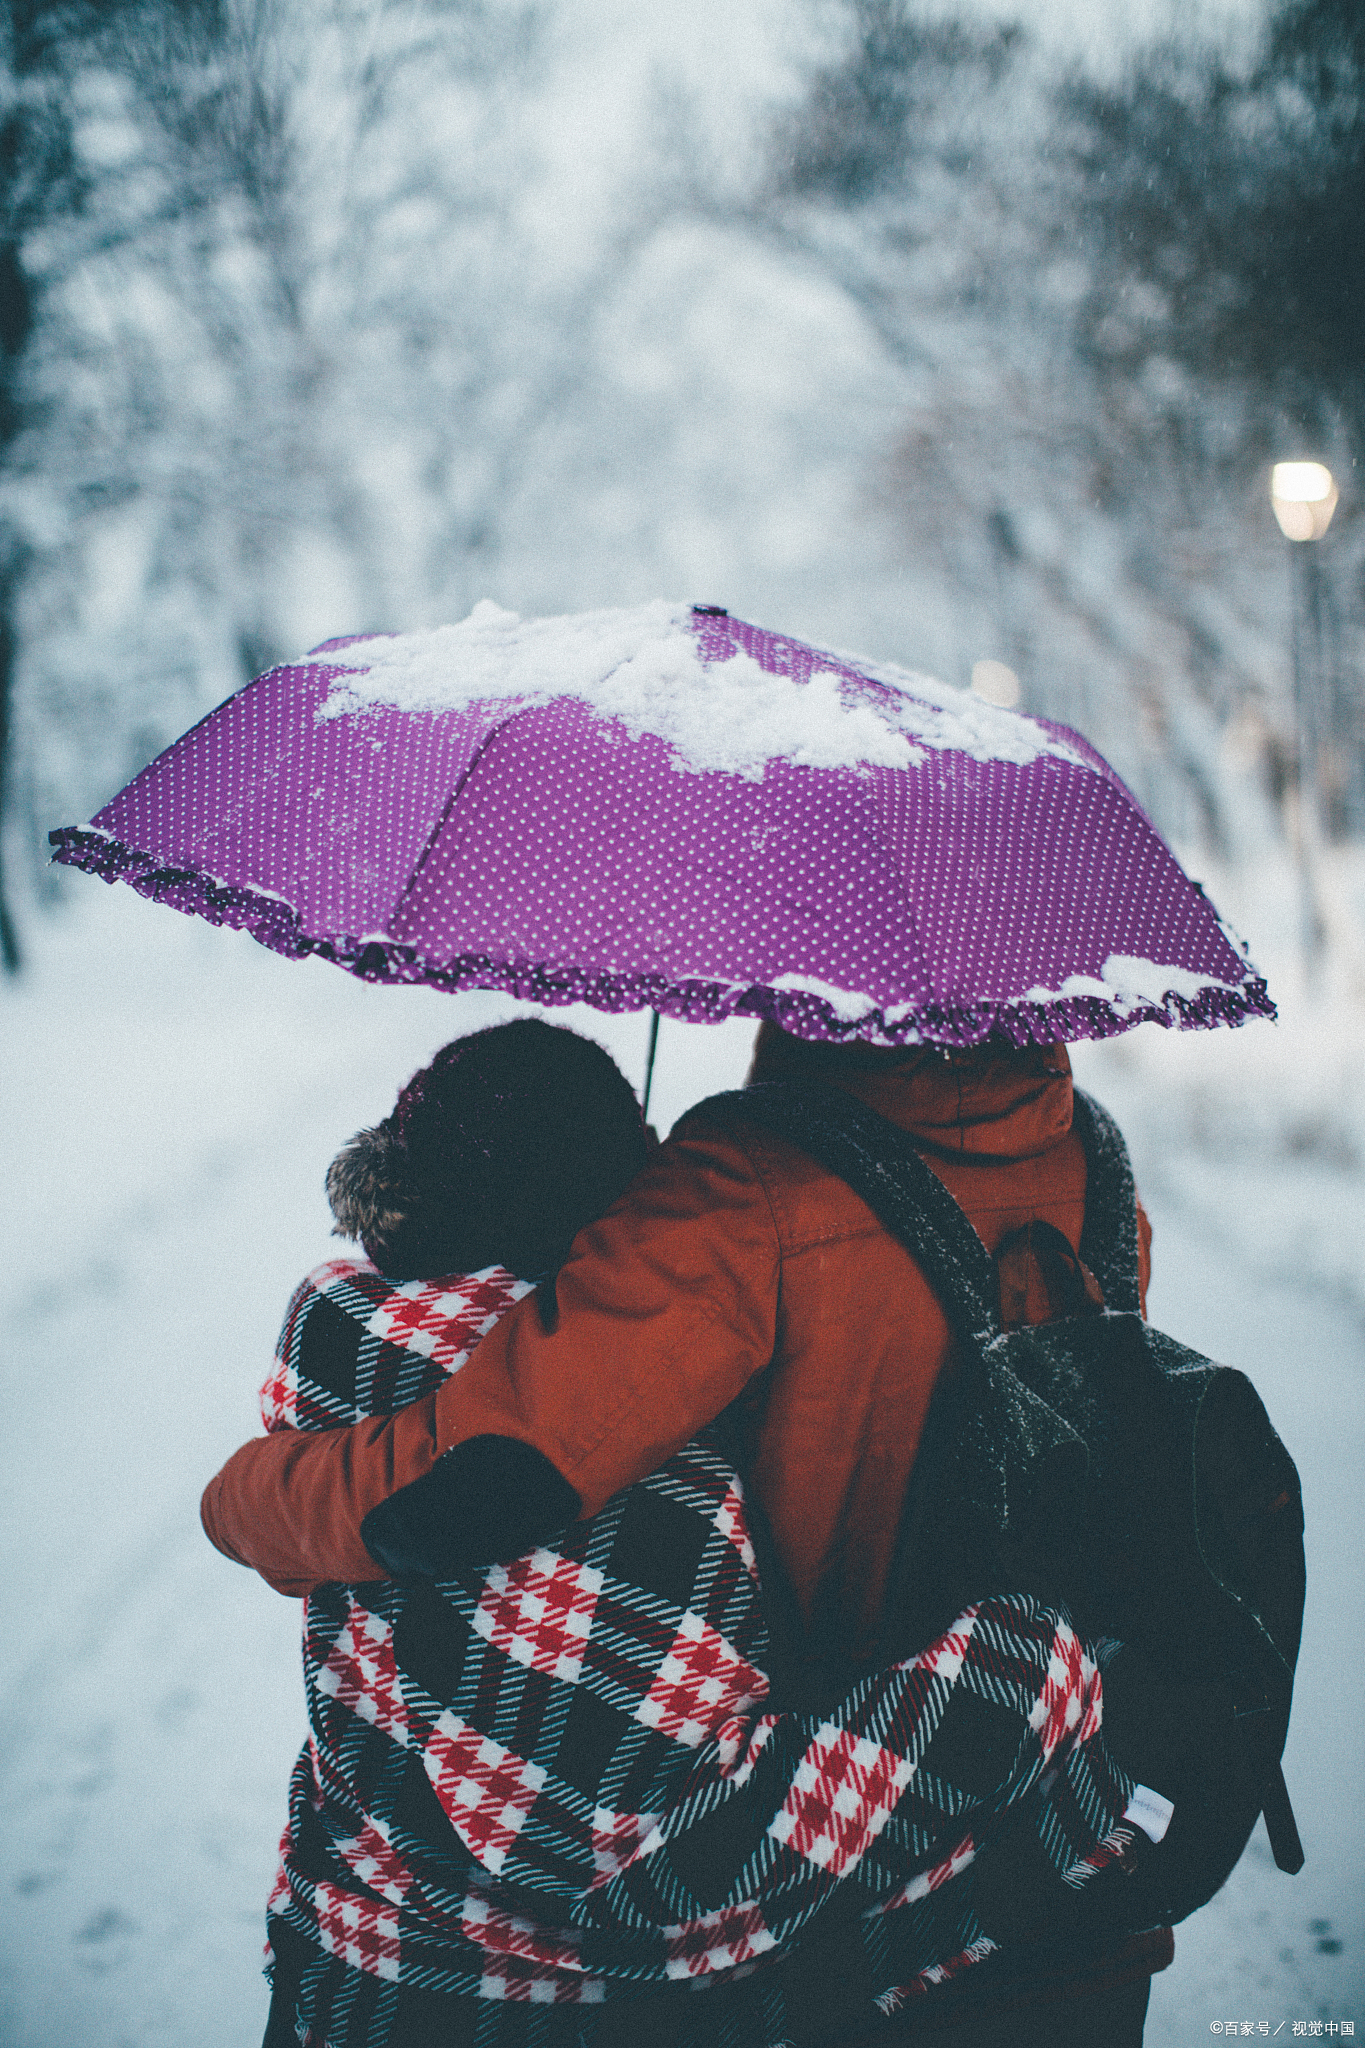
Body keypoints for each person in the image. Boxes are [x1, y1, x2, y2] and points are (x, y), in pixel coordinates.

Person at [207, 1023, 1168, 2045]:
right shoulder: (1096, 1173)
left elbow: (493, 1467)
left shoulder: (738, 1188)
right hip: (1012, 1872)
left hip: (462, 1945)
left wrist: (254, 1492)